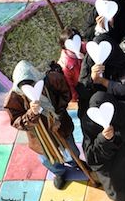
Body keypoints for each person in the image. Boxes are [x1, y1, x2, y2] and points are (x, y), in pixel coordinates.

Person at [5, 60, 91, 190]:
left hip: (61, 126)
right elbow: (18, 122)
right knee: (47, 159)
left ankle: (76, 162)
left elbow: (65, 94)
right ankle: (59, 172)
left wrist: (58, 116)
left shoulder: (52, 80)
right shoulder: (14, 99)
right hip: (40, 136)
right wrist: (32, 113)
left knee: (71, 149)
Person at [77, 33, 125, 113]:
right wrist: (91, 80)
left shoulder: (120, 64)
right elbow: (83, 91)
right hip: (95, 108)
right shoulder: (88, 64)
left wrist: (103, 82)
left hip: (119, 106)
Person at [57, 27, 84, 103]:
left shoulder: (84, 47)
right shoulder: (65, 66)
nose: (76, 45)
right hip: (80, 90)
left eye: (77, 40)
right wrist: (76, 98)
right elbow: (70, 85)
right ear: (64, 45)